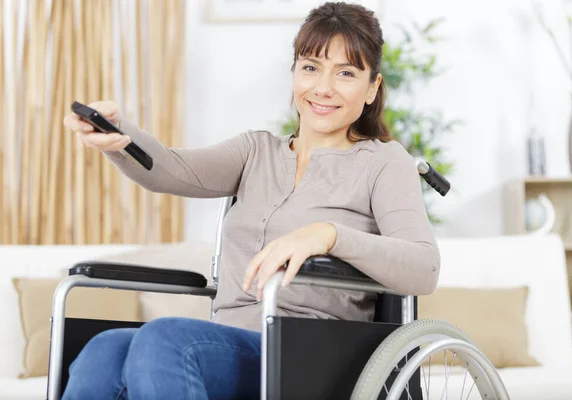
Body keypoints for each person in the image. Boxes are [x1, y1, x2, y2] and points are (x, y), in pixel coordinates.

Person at [60, 2, 440, 399]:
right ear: (294, 74)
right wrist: (119, 136)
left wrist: (327, 235)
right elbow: (170, 168)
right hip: (228, 343)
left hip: (313, 355)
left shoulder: (384, 162)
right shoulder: (255, 151)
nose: (323, 88)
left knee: (167, 339)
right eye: (310, 67)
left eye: (346, 73)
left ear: (372, 88)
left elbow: (423, 267)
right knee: (104, 350)